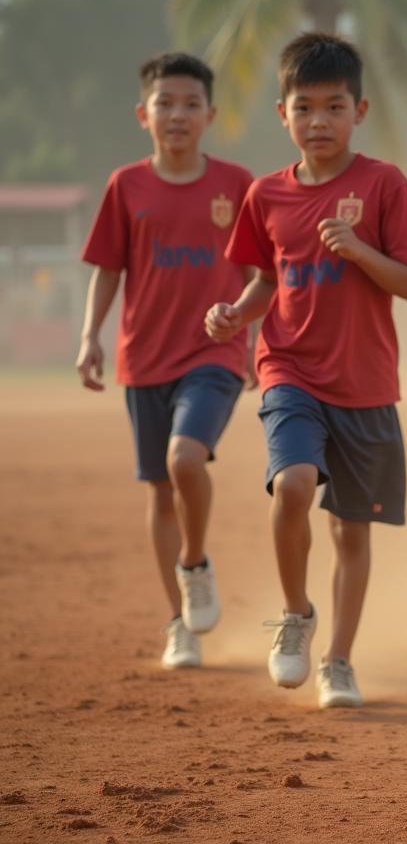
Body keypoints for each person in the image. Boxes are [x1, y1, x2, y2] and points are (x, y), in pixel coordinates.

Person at [205, 32, 407, 709]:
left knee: (351, 532)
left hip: (365, 385)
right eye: (304, 109)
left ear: (359, 111)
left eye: (334, 108)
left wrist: (360, 250)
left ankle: (339, 660)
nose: (319, 123)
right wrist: (234, 316)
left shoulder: (384, 184)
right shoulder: (265, 196)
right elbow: (262, 284)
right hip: (289, 370)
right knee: (294, 485)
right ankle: (296, 616)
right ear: (283, 114)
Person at [76, 52, 253, 670]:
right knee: (159, 491)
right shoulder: (126, 186)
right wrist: (89, 336)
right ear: (142, 114)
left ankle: (194, 564)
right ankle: (179, 623)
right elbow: (108, 268)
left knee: (184, 458)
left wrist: (255, 334)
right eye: (164, 104)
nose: (177, 115)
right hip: (143, 357)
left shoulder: (237, 184)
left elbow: (265, 270)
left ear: (210, 114)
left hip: (216, 351)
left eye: (189, 104)